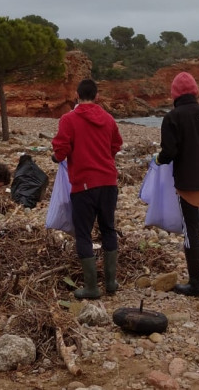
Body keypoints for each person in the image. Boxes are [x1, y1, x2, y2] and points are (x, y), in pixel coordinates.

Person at [51, 79, 123, 299]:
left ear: (77, 95)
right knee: (108, 228)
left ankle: (91, 287)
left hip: (83, 185)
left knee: (84, 233)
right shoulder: (109, 119)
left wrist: (56, 157)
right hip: (109, 181)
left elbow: (61, 150)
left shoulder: (68, 119)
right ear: (97, 96)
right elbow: (116, 145)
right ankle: (111, 282)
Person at [155, 72, 199, 296]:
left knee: (191, 230)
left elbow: (170, 151)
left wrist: (158, 160)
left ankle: (195, 283)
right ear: (195, 91)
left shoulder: (172, 117)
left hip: (187, 184)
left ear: (174, 94)